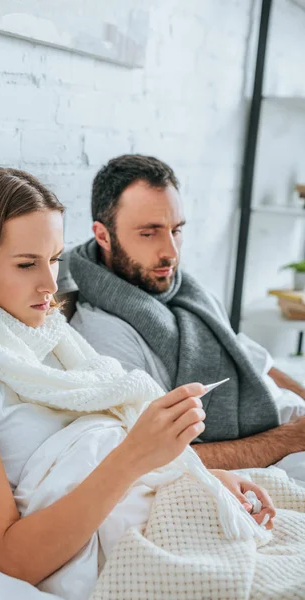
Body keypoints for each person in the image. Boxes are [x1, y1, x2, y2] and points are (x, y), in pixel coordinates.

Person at [0, 168, 275, 598]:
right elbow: (8, 559)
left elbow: (115, 440)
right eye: (27, 264)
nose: (50, 285)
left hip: (156, 507)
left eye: (55, 259)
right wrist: (136, 456)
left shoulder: (53, 337)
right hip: (113, 552)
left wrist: (201, 477)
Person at [69, 154, 305, 473]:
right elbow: (155, 462)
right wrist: (289, 440)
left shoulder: (185, 290)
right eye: (149, 233)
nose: (172, 252)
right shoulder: (103, 336)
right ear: (103, 236)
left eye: (176, 230)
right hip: (273, 454)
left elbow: (250, 357)